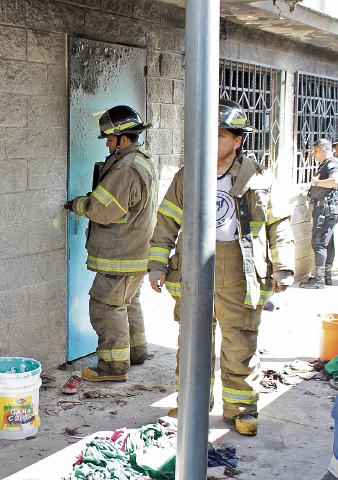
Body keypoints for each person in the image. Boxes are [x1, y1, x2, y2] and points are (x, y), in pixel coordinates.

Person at [147, 99, 295, 436]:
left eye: (220, 134)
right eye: (208, 134)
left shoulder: (257, 177)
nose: (212, 140)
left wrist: (283, 268)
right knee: (192, 341)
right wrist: (157, 263)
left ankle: (241, 409)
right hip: (194, 265)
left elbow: (279, 224)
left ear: (237, 140)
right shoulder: (189, 175)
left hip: (239, 268)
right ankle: (192, 403)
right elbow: (167, 220)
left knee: (240, 340)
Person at [64, 105, 157, 382]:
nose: (107, 143)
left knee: (106, 305)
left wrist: (77, 204)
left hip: (120, 253)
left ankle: (112, 367)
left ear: (123, 140)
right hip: (136, 251)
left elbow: (103, 209)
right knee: (127, 302)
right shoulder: (140, 161)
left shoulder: (125, 168)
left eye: (109, 138)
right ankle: (136, 351)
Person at [300, 138, 338, 289]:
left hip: (325, 209)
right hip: (327, 208)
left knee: (319, 242)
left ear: (324, 150)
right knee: (327, 242)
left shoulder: (330, 163)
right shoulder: (327, 164)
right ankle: (326, 276)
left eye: (316, 151)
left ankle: (319, 280)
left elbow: (335, 181)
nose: (314, 154)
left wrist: (316, 183)